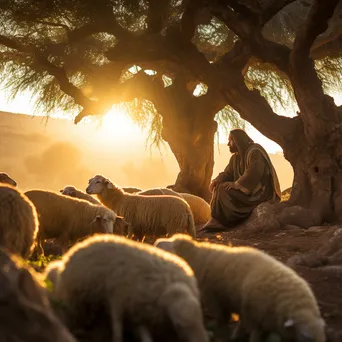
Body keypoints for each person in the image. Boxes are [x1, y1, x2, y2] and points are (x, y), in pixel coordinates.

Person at [201, 129, 281, 232]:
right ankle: (216, 220)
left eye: (230, 140)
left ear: (238, 140)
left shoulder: (255, 151)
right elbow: (228, 173)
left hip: (260, 193)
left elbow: (255, 171)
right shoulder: (235, 158)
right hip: (247, 191)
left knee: (223, 189)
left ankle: (229, 221)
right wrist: (217, 180)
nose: (228, 144)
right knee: (219, 186)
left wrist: (237, 184)